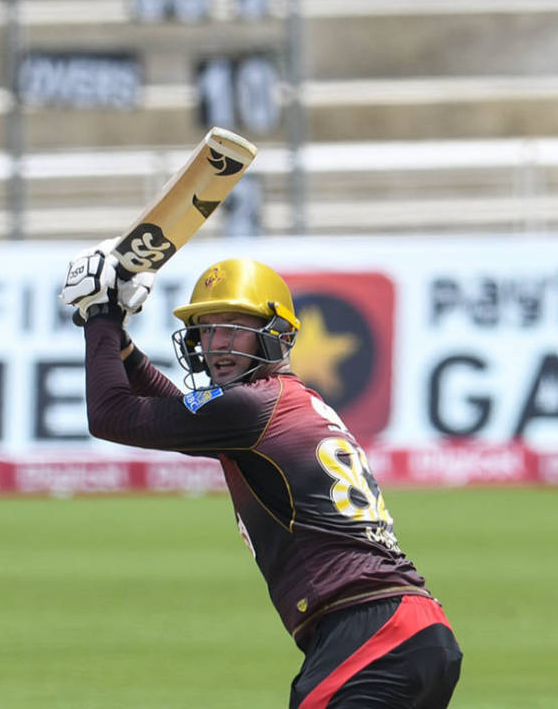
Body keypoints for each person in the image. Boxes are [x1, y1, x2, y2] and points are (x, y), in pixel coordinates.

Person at [60, 247, 462, 708]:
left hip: (368, 635)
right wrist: (124, 348)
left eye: (235, 328)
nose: (217, 344)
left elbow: (111, 415)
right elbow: (177, 418)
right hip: (406, 628)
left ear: (274, 335)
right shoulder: (281, 402)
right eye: (207, 329)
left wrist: (101, 318)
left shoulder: (250, 407)